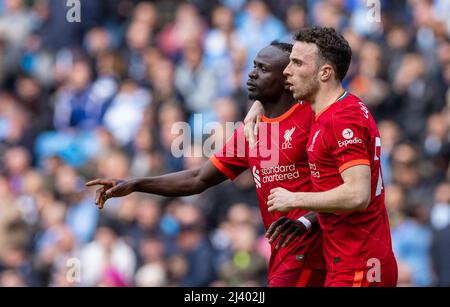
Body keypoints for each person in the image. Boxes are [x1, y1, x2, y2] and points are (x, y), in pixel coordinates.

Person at [86, 42, 326, 287]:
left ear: (287, 78)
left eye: (263, 69)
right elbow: (198, 178)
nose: (252, 73)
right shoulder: (252, 131)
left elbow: (346, 190)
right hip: (281, 254)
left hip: (313, 251)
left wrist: (305, 221)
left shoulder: (314, 119)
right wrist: (135, 184)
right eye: (254, 65)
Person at [245, 27, 397, 287]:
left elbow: (358, 194)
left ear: (325, 73)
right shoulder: (329, 109)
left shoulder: (340, 120)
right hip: (348, 263)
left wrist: (294, 199)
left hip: (360, 266)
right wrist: (259, 102)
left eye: (296, 63)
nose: (286, 71)